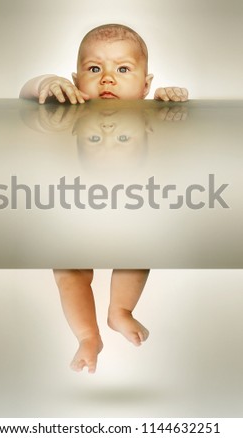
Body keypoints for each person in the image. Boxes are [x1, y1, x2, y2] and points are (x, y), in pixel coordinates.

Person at [20, 24, 188, 373]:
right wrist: (46, 83)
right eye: (94, 69)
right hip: (76, 207)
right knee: (70, 273)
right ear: (75, 78)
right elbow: (25, 95)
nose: (107, 79)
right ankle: (87, 336)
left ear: (145, 84)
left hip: (132, 206)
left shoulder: (150, 111)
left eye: (122, 69)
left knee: (137, 253)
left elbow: (180, 135)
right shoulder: (69, 106)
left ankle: (119, 310)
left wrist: (172, 99)